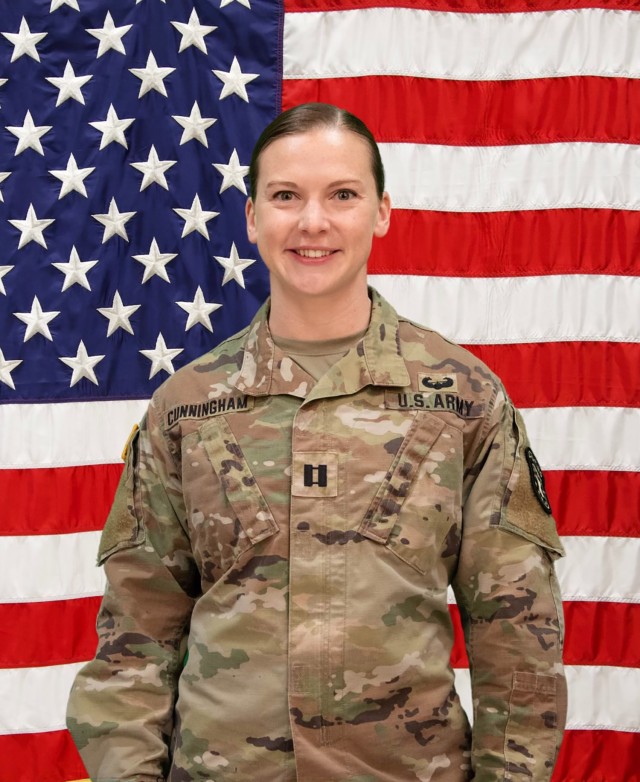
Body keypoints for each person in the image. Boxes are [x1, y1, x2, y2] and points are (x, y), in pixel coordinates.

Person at [67, 103, 567, 782]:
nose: (312, 222)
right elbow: (136, 640)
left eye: (342, 195)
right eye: (284, 196)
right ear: (251, 218)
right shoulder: (188, 408)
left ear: (381, 212)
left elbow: (517, 640)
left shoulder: (464, 401)